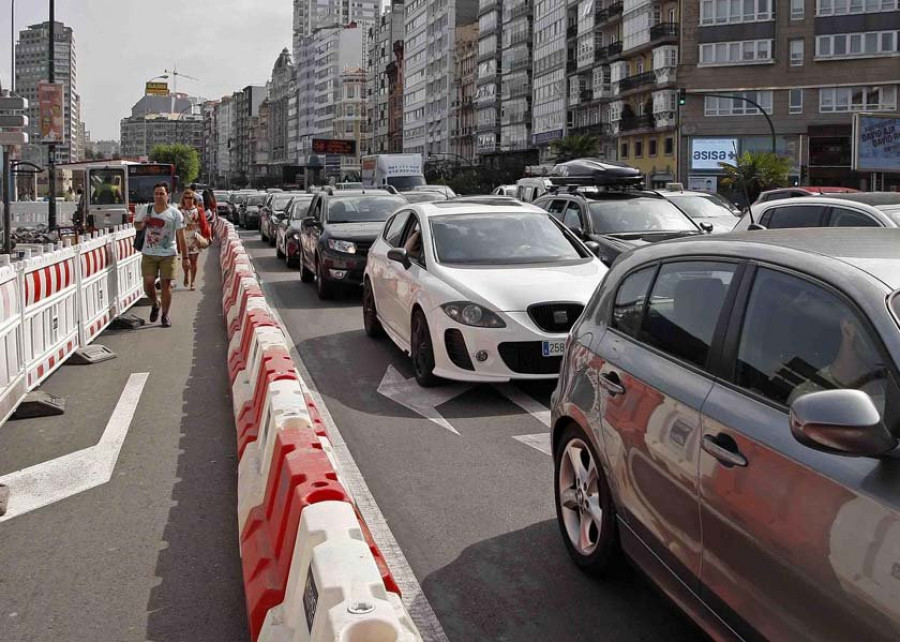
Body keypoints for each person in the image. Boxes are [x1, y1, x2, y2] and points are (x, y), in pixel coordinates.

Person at [134, 182, 187, 327]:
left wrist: (186, 258)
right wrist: (143, 223)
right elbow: (136, 225)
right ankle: (155, 303)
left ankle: (165, 315)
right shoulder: (147, 209)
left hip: (168, 253)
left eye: (161, 193)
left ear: (167, 196)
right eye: (156, 193)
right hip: (149, 252)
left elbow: (181, 236)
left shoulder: (175, 213)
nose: (158, 196)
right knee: (148, 284)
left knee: (166, 285)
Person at [178, 189, 210, 290]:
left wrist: (207, 236)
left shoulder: (198, 210)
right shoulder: (179, 211)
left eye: (191, 198)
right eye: (186, 198)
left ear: (194, 199)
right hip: (183, 237)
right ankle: (186, 274)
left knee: (194, 261)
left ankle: (193, 281)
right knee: (185, 259)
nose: (188, 200)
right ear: (183, 199)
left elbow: (204, 224)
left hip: (195, 237)